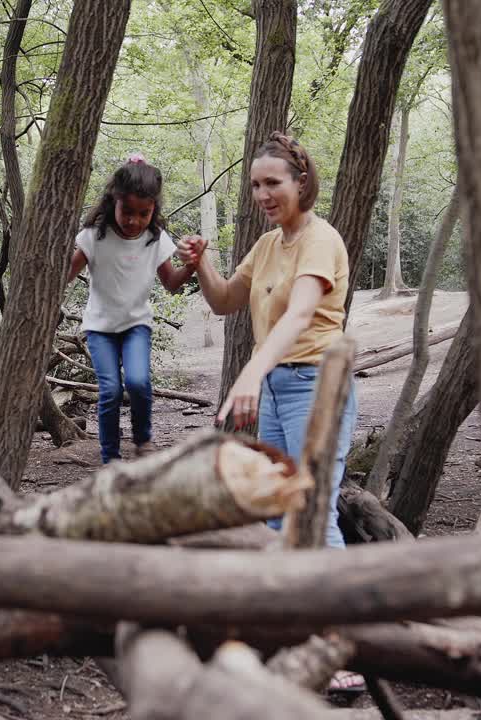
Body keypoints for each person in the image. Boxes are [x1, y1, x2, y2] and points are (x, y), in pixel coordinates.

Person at [179, 131, 363, 694]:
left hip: (316, 384)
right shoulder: (266, 246)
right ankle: (293, 638)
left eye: (273, 183)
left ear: (300, 183)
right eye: (256, 184)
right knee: (279, 515)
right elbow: (225, 302)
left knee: (314, 509)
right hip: (280, 387)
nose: (262, 193)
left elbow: (301, 313)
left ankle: (340, 647)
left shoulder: (320, 239)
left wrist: (251, 371)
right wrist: (203, 264)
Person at [66, 154, 196, 465]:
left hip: (137, 325)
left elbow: (171, 283)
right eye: (128, 211)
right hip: (100, 328)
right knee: (110, 390)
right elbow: (64, 276)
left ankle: (142, 439)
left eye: (144, 213)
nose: (135, 220)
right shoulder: (94, 236)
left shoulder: (155, 239)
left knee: (137, 382)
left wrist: (191, 266)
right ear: (114, 201)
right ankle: (110, 457)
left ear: (154, 210)